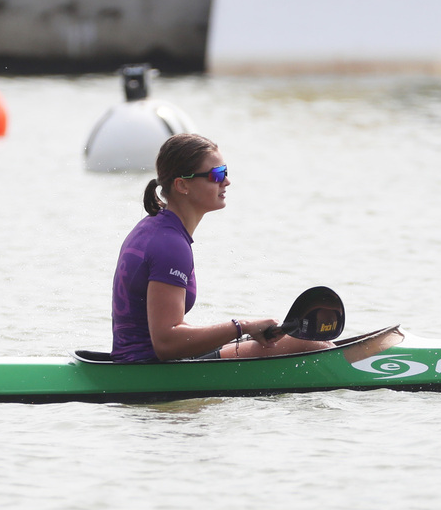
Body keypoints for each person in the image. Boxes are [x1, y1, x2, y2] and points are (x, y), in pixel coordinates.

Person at [111, 133, 332, 362]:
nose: (226, 181)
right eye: (216, 175)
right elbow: (166, 343)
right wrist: (242, 326)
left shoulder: (151, 227)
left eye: (225, 172)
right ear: (182, 185)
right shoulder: (171, 245)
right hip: (150, 370)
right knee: (314, 344)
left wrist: (242, 333)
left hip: (138, 361)